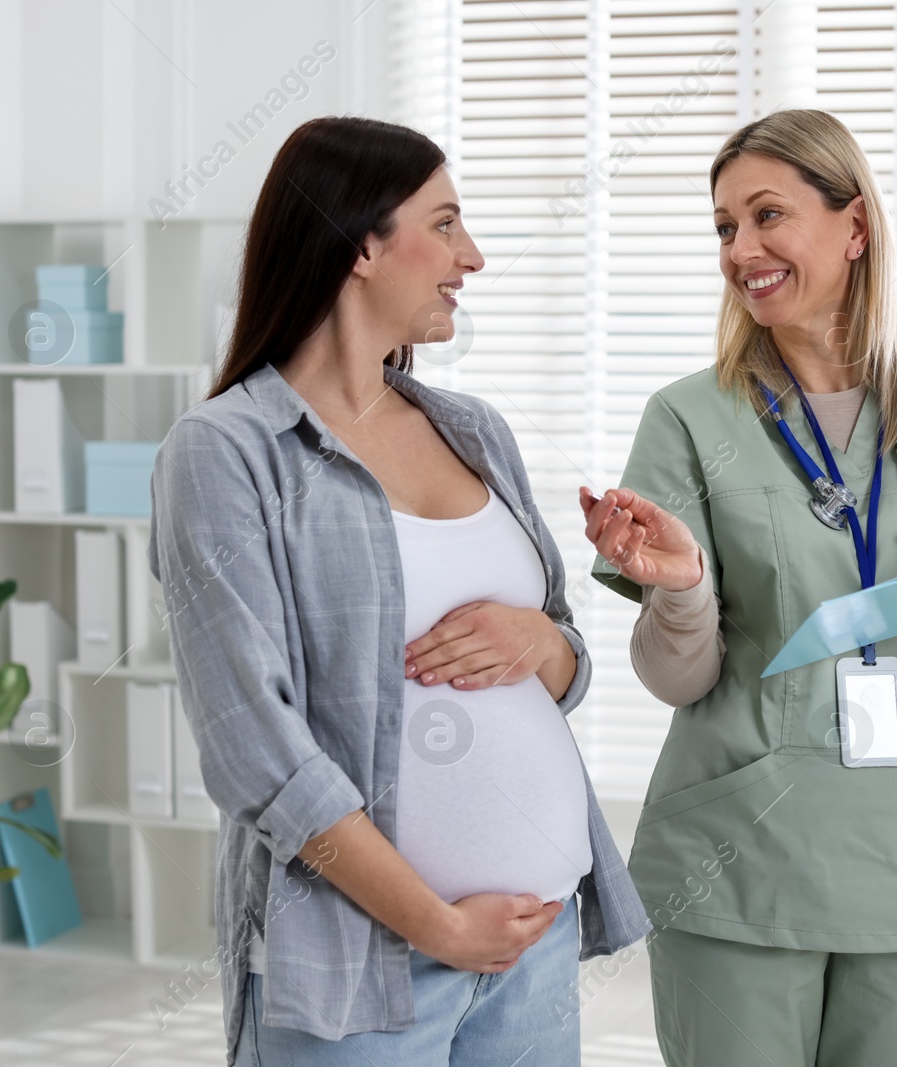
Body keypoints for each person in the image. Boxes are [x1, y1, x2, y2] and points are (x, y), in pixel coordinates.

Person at [581, 108, 897, 1067]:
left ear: (854, 227)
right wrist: (682, 587)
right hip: (740, 857)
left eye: (769, 215)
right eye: (725, 227)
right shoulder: (689, 417)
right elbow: (677, 679)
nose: (743, 249)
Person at [148, 115, 648, 1067]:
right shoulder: (225, 454)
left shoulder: (473, 428)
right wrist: (437, 926)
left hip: (532, 948)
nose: (474, 256)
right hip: (356, 970)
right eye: (448, 224)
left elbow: (565, 659)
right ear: (362, 244)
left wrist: (540, 643)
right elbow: (255, 748)